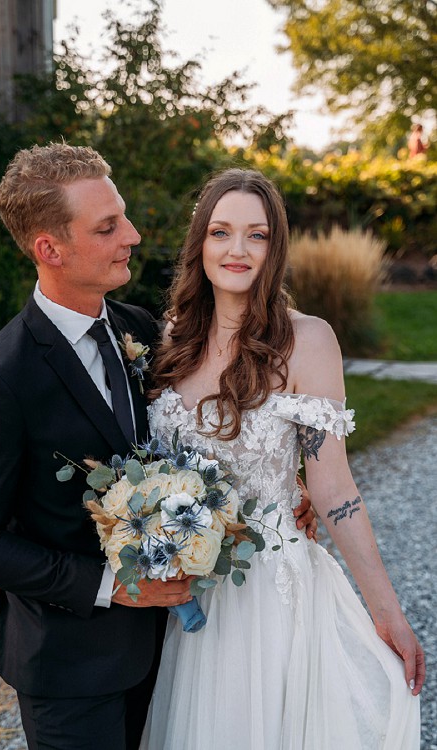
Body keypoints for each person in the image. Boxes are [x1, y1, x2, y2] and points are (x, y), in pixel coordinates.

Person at [0, 144, 316, 750]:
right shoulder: (1, 381)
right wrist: (108, 584)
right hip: (71, 671)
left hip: (167, 653)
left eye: (125, 217)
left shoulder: (137, 329)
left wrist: (282, 483)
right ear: (50, 249)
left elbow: (191, 431)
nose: (134, 236)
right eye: (109, 226)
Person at [141, 168, 425, 749]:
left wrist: (388, 612)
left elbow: (334, 488)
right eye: (221, 232)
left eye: (257, 235)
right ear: (199, 243)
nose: (237, 250)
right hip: (186, 593)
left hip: (272, 589)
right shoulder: (169, 340)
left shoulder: (308, 341)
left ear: (276, 248)